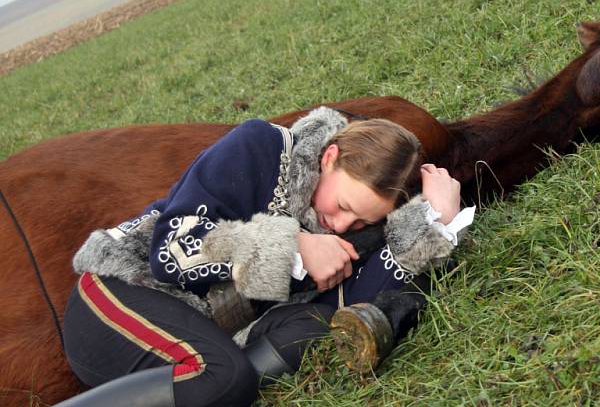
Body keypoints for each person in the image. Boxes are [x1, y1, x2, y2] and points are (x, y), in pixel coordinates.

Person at [58, 107, 470, 407]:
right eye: (344, 205)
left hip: (192, 341)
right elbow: (171, 248)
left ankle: (209, 391)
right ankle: (218, 386)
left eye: (362, 222)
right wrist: (293, 245)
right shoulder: (259, 147)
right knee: (225, 376)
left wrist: (437, 225)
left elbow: (353, 306)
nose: (343, 225)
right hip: (116, 298)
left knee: (315, 325)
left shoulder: (343, 229)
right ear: (329, 158)